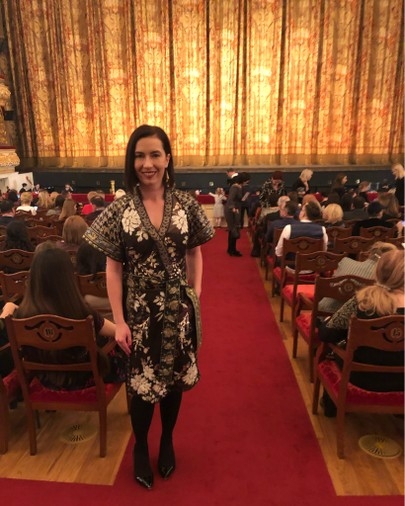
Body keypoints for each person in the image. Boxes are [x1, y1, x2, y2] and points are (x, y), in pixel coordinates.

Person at [83, 124, 214, 489]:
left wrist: (196, 294)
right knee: (140, 386)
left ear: (168, 159)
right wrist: (119, 321)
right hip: (138, 312)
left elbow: (195, 252)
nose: (148, 163)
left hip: (177, 310)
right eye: (140, 155)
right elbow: (113, 267)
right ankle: (141, 446)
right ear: (132, 161)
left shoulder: (186, 204)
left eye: (155, 154)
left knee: (171, 383)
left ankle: (167, 440)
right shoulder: (120, 209)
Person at [0, 245, 123, 390]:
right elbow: (116, 332)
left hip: (45, 379)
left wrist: (7, 312)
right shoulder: (81, 311)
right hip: (82, 380)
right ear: (67, 276)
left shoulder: (22, 316)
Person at [319, 249, 404, 416]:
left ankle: (331, 406)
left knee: (330, 344)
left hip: (359, 377)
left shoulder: (363, 301)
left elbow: (327, 335)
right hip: (402, 381)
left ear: (378, 271)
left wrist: (327, 323)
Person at [318, 241, 398, 313]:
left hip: (324, 311)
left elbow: (332, 286)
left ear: (370, 253)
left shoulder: (345, 261)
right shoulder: (383, 279)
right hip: (357, 320)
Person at [225, 172, 250, 256]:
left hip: (235, 209)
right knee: (233, 229)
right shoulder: (235, 187)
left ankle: (231, 249)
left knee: (233, 229)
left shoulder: (239, 187)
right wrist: (234, 209)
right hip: (232, 210)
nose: (247, 182)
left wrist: (245, 196)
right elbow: (231, 199)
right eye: (246, 181)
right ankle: (232, 250)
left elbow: (239, 199)